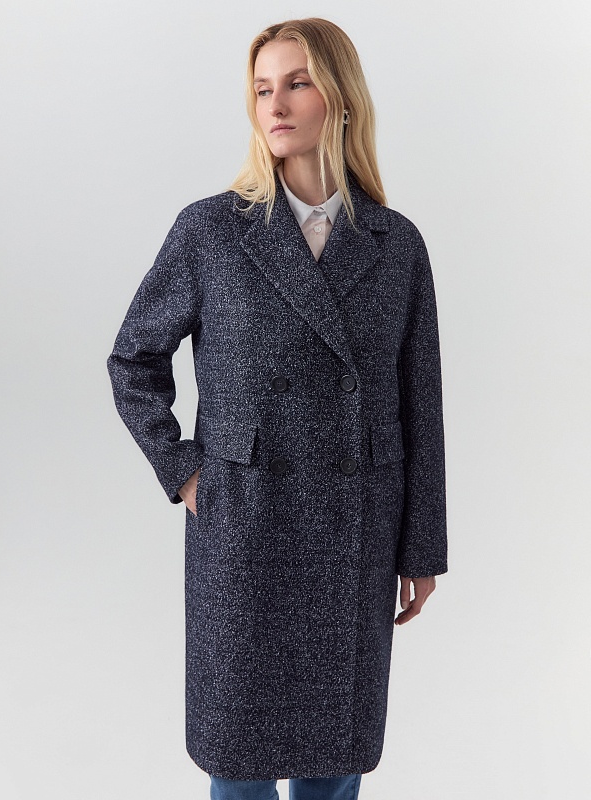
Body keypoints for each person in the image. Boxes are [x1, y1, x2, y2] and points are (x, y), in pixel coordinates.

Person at [107, 16, 447, 800]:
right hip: (246, 522)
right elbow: (133, 359)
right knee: (239, 759)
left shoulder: (395, 244)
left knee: (335, 758)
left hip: (357, 526)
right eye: (263, 89)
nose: (277, 104)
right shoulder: (211, 231)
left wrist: (421, 545)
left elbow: (420, 405)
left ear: (342, 98)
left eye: (297, 83)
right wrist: (185, 471)